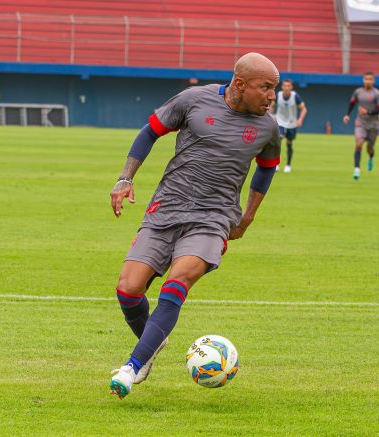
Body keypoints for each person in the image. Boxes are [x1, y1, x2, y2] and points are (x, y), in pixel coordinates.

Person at [108, 52, 281, 399]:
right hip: (166, 208)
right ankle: (153, 341)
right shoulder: (193, 100)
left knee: (178, 279)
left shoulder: (268, 127)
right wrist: (124, 178)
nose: (272, 96)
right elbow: (149, 132)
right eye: (266, 87)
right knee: (128, 289)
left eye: (274, 89)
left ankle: (133, 366)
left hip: (214, 217)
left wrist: (247, 216)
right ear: (239, 84)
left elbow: (267, 167)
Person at [343, 72, 379, 180]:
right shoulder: (358, 92)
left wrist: (368, 112)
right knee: (359, 143)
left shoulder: (377, 94)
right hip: (360, 123)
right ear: (363, 80)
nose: (368, 81)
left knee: (369, 148)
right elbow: (352, 103)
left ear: (373, 81)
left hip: (373, 125)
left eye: (370, 79)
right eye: (366, 79)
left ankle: (371, 158)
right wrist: (347, 115)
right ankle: (357, 169)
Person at [270, 79, 307, 173]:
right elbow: (272, 106)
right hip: (280, 122)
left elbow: (304, 109)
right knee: (278, 142)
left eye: (288, 86)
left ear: (291, 87)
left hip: (292, 124)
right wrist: (270, 117)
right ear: (282, 87)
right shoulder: (278, 95)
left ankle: (288, 165)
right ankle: (276, 164)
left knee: (289, 144)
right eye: (285, 86)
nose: (286, 88)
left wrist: (300, 120)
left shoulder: (295, 96)